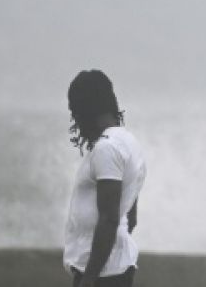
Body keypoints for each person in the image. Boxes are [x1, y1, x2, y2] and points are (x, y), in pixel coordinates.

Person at [64, 70, 147, 287]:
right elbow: (130, 215)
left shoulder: (106, 148)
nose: (76, 123)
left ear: (85, 111)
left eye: (75, 112)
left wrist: (89, 279)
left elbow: (110, 218)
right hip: (115, 269)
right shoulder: (129, 142)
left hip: (102, 275)